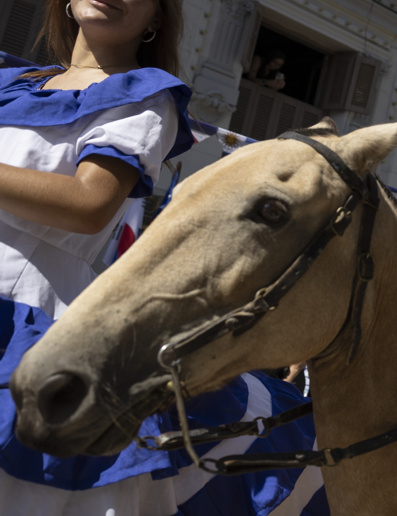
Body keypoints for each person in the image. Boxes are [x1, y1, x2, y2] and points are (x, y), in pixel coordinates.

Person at [0, 1, 324, 514]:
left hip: (28, 307)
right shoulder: (13, 81)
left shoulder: (145, 95)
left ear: (155, 20)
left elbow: (90, 203)